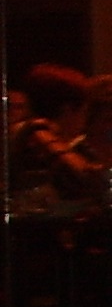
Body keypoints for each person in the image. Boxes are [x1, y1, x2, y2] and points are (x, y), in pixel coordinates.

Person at [8, 64, 101, 205]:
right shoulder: (37, 132)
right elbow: (79, 174)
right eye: (84, 112)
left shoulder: (25, 132)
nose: (85, 120)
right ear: (67, 110)